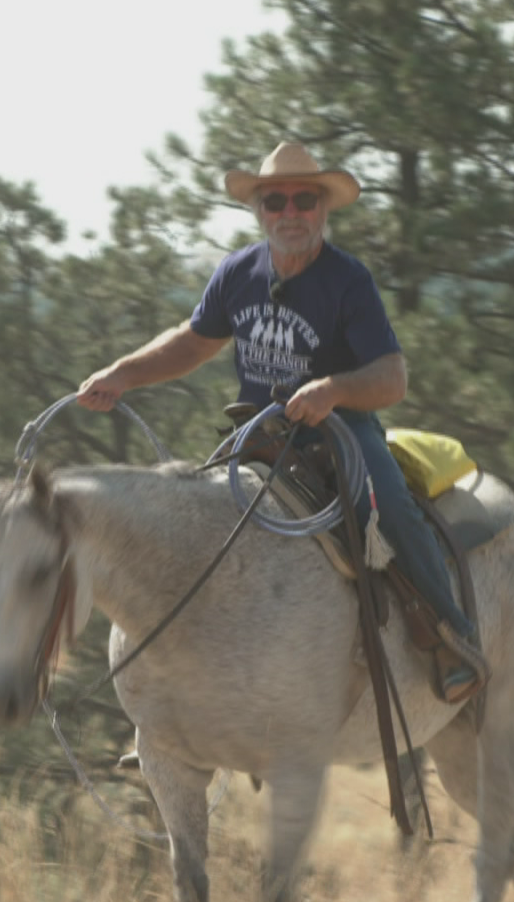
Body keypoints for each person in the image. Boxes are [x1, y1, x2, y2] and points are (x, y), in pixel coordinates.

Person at [77, 141, 487, 703]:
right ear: (259, 210)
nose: (289, 212)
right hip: (259, 436)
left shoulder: (348, 281)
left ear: (322, 208)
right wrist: (122, 375)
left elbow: (393, 379)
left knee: (391, 507)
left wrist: (334, 389)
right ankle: (178, 705)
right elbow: (193, 343)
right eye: (276, 201)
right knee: (189, 529)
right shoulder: (237, 272)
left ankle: (451, 638)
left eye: (302, 199)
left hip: (341, 432)